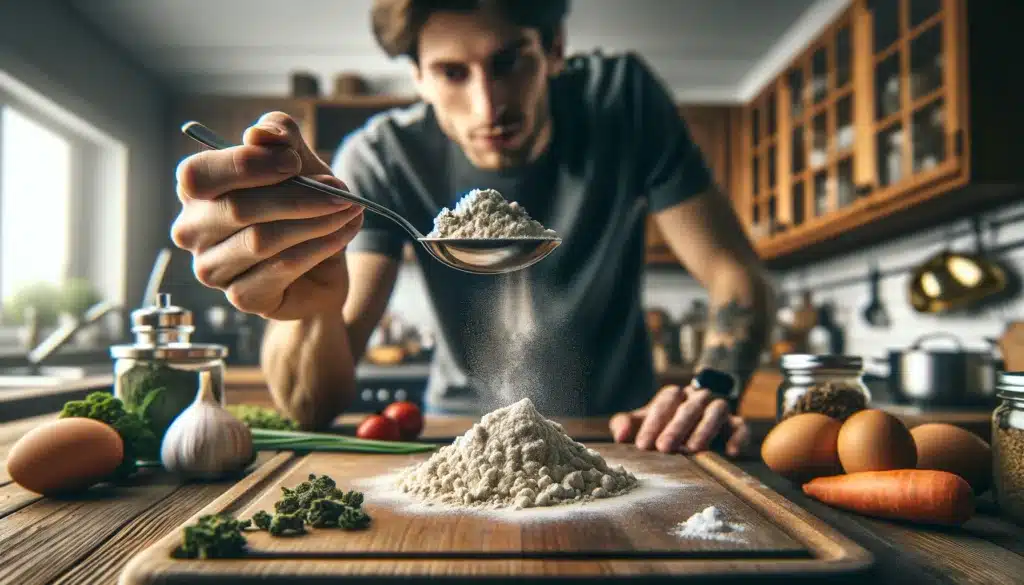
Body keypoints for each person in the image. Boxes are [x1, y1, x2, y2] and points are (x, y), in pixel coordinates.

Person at [171, 0, 774, 458]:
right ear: (418, 78)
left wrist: (715, 383)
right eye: (453, 73)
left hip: (626, 434)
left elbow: (735, 275)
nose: (489, 108)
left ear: (555, 49)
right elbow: (309, 407)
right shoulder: (383, 159)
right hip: (458, 440)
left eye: (508, 62)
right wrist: (312, 296)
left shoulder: (622, 101)